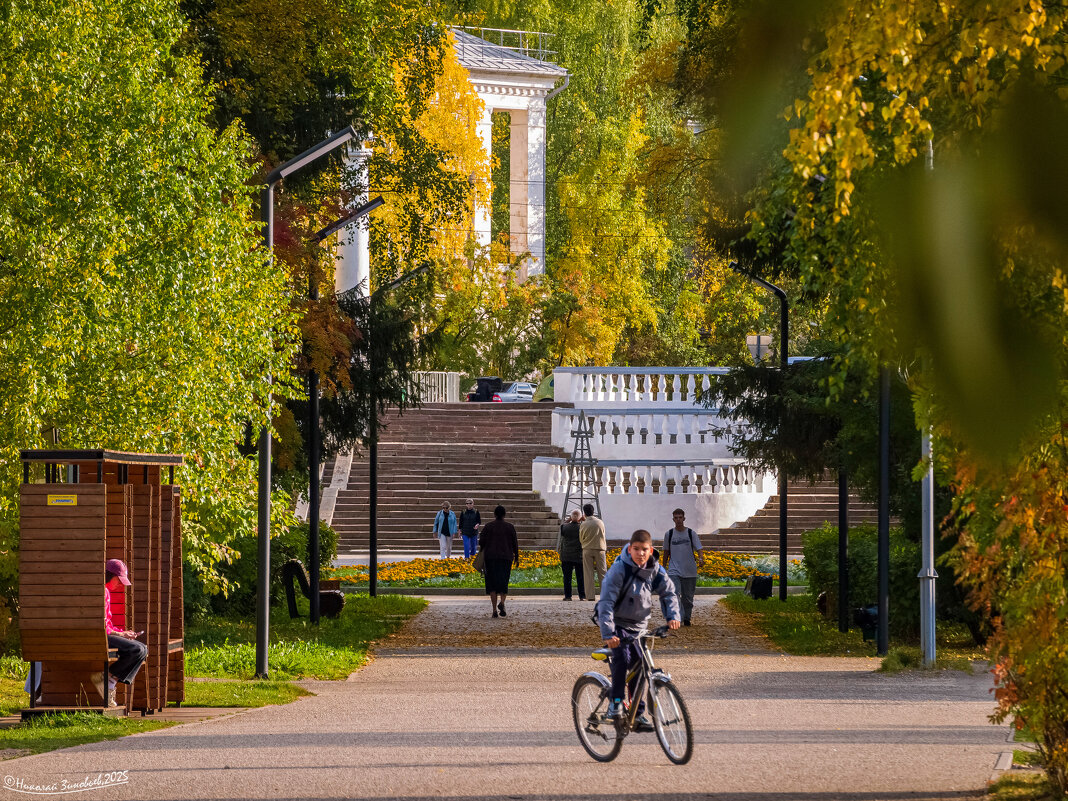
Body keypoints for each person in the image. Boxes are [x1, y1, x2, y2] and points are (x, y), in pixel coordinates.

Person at [595, 529, 681, 725]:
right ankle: (615, 703)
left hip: (639, 625)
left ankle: (637, 711)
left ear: (651, 550)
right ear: (630, 548)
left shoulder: (655, 569)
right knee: (622, 658)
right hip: (617, 623)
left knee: (640, 665)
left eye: (644, 549)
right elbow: (606, 602)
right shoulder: (619, 570)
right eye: (636, 549)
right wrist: (608, 633)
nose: (640, 553)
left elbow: (668, 593)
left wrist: (673, 616)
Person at [104, 558, 148, 707]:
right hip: (100, 637)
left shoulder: (105, 591)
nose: (120, 584)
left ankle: (109, 681)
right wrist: (122, 635)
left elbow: (107, 624)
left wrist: (122, 632)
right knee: (137, 649)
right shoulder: (102, 592)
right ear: (111, 575)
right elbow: (103, 627)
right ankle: (108, 681)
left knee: (143, 649)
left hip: (104, 635)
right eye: (119, 580)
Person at [663, 508, 705, 626]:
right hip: (674, 569)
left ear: (684, 518)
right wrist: (663, 567)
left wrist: (701, 558)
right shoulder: (669, 534)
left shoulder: (691, 533)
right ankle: (679, 617)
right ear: (673, 519)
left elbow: (699, 548)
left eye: (680, 517)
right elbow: (666, 551)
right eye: (676, 518)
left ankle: (687, 617)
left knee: (687, 597)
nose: (678, 520)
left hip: (690, 570)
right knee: (674, 593)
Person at [478, 504, 519, 618]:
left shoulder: (488, 526)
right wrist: (517, 557)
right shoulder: (510, 527)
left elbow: (481, 542)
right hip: (506, 558)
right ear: (504, 514)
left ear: (495, 514)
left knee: (492, 585)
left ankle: (494, 610)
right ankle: (502, 603)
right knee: (503, 582)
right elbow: (515, 543)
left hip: (490, 558)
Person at [579, 503, 606, 600]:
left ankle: (590, 596)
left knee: (588, 573)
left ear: (584, 513)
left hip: (587, 549)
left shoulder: (584, 524)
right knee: (602, 572)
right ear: (593, 511)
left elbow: (581, 538)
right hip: (600, 548)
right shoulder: (600, 522)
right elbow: (603, 535)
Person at [557, 509, 585, 600]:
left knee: (567, 577)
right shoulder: (582, 527)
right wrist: (583, 520)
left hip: (566, 555)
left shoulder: (564, 527)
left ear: (571, 517)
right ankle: (582, 596)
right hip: (578, 555)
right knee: (580, 577)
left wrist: (569, 520)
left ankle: (568, 596)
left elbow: (562, 526)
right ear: (580, 517)